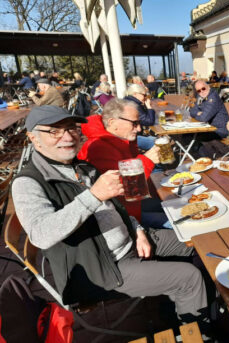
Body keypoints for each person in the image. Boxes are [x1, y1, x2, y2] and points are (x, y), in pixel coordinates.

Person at [12, 105, 207, 322]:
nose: (67, 136)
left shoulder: (81, 167)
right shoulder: (27, 183)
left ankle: (186, 306)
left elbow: (117, 207)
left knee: (197, 242)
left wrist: (137, 229)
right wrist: (93, 196)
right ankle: (197, 328)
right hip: (102, 270)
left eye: (71, 128)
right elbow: (41, 234)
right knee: (189, 277)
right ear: (33, 138)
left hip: (130, 241)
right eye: (55, 131)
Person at [78, 98, 172, 231]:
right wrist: (147, 160)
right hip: (123, 218)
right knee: (178, 221)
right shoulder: (99, 147)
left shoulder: (119, 140)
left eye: (139, 123)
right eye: (134, 123)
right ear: (112, 122)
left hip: (134, 204)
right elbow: (126, 188)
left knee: (173, 204)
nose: (139, 129)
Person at [124, 84, 156, 150]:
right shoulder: (133, 105)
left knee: (158, 138)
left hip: (130, 135)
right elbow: (149, 121)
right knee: (159, 142)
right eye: (144, 95)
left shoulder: (130, 101)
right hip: (130, 138)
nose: (145, 97)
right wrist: (149, 107)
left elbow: (145, 117)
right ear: (135, 94)